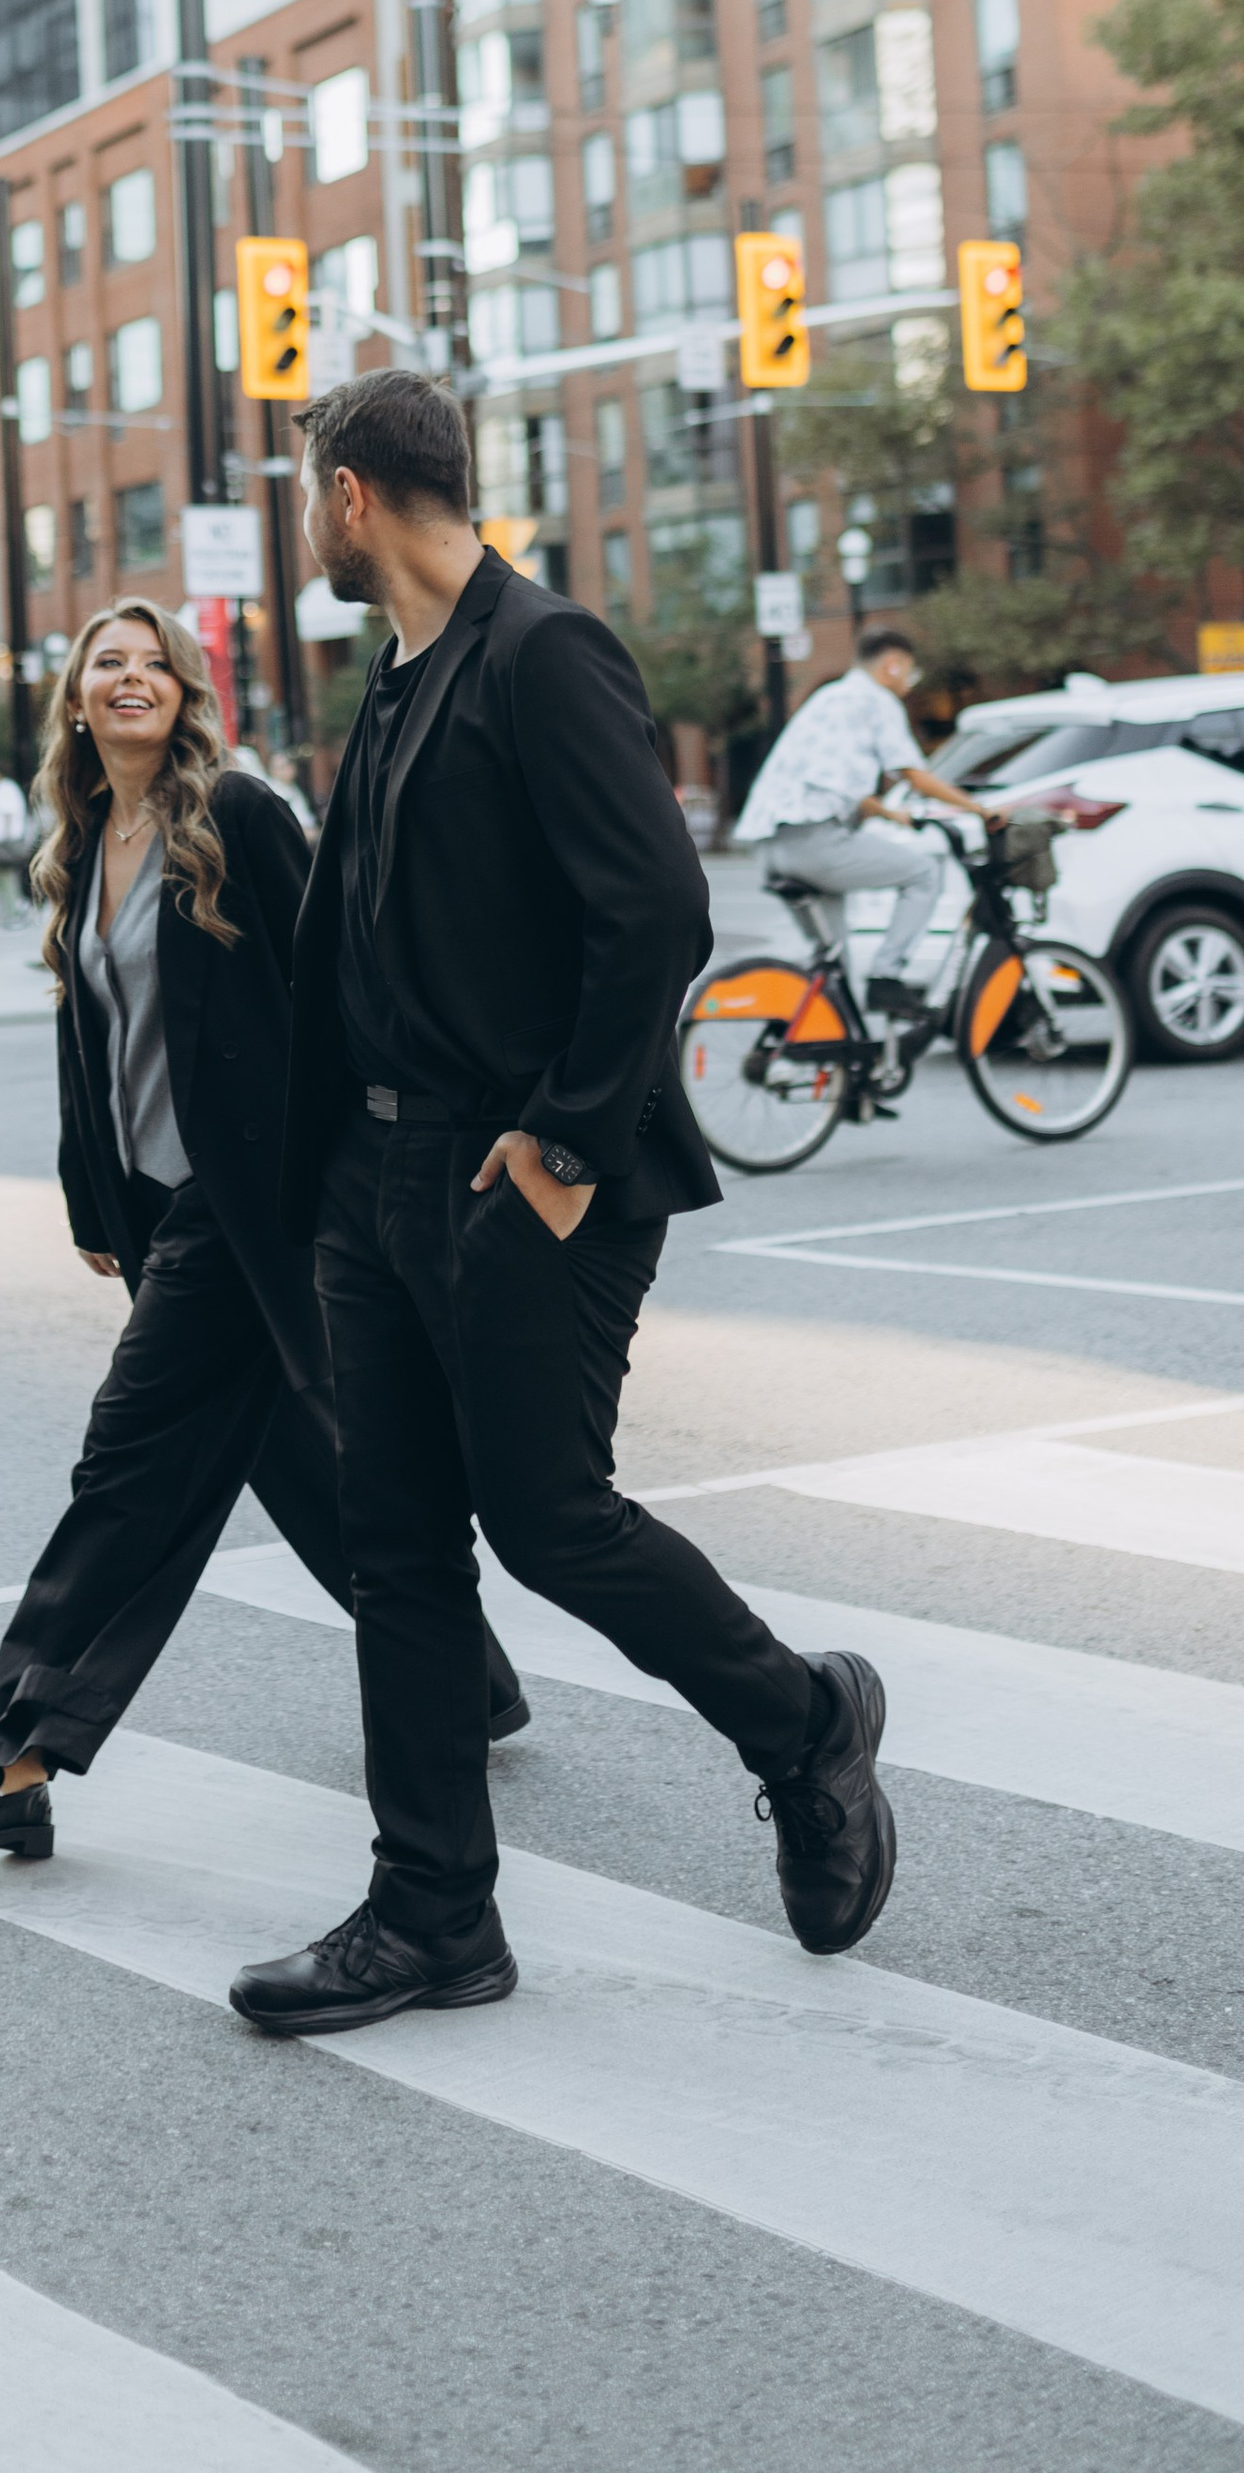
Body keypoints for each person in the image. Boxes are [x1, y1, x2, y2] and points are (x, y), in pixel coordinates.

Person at [228, 370, 894, 2041]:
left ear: (360, 494)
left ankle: (801, 1722)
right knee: (397, 1552)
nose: (314, 523)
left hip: (517, 1172)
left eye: (317, 495)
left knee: (547, 1520)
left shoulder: (543, 654)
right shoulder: (392, 684)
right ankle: (434, 1913)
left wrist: (565, 1145)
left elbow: (657, 907)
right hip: (376, 1188)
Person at [0, 598, 522, 1867]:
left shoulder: (232, 818)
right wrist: (92, 1195)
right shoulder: (83, 840)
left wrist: (370, 1181)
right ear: (75, 700)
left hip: (252, 1210)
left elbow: (340, 985)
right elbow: (95, 1039)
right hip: (160, 1205)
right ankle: (474, 1679)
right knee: (302, 1458)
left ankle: (16, 1758)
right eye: (105, 665)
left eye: (153, 665)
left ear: (185, 694)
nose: (131, 680)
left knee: (128, 1465)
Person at [730, 623, 1001, 1015]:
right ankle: (886, 977)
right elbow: (913, 773)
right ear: (892, 665)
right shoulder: (877, 700)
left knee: (833, 963)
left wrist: (889, 814)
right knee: (924, 872)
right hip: (814, 842)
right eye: (910, 670)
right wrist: (980, 809)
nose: (910, 681)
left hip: (771, 846)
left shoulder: (829, 697)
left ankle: (827, 1052)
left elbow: (832, 781)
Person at [0, 765, 32, 909]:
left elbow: (7, 813)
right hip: (4, 840)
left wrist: (5, 840)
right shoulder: (0, 789)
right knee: (1, 877)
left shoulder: (4, 789)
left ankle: (17, 907)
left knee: (3, 876)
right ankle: (18, 906)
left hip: (6, 840)